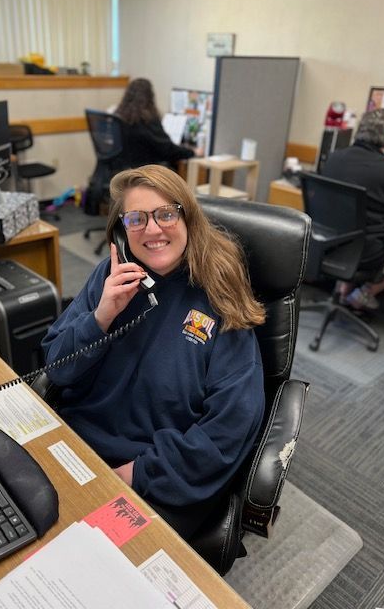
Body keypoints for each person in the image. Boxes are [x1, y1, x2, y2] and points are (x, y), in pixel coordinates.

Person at [42, 164, 265, 540]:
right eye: (136, 219)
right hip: (78, 445)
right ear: (120, 230)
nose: (152, 229)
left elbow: (232, 424)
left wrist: (137, 474)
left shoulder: (219, 295)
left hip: (151, 476)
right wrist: (101, 317)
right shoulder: (111, 277)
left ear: (187, 218)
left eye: (166, 214)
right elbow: (57, 367)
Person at [323, 108, 384, 310]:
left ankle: (343, 289)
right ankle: (364, 292)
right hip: (368, 254)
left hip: (330, 246)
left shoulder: (334, 158)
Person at [114, 78, 199, 168]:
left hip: (124, 171)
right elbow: (168, 149)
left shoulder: (118, 116)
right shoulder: (147, 120)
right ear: (150, 97)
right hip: (147, 172)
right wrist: (193, 152)